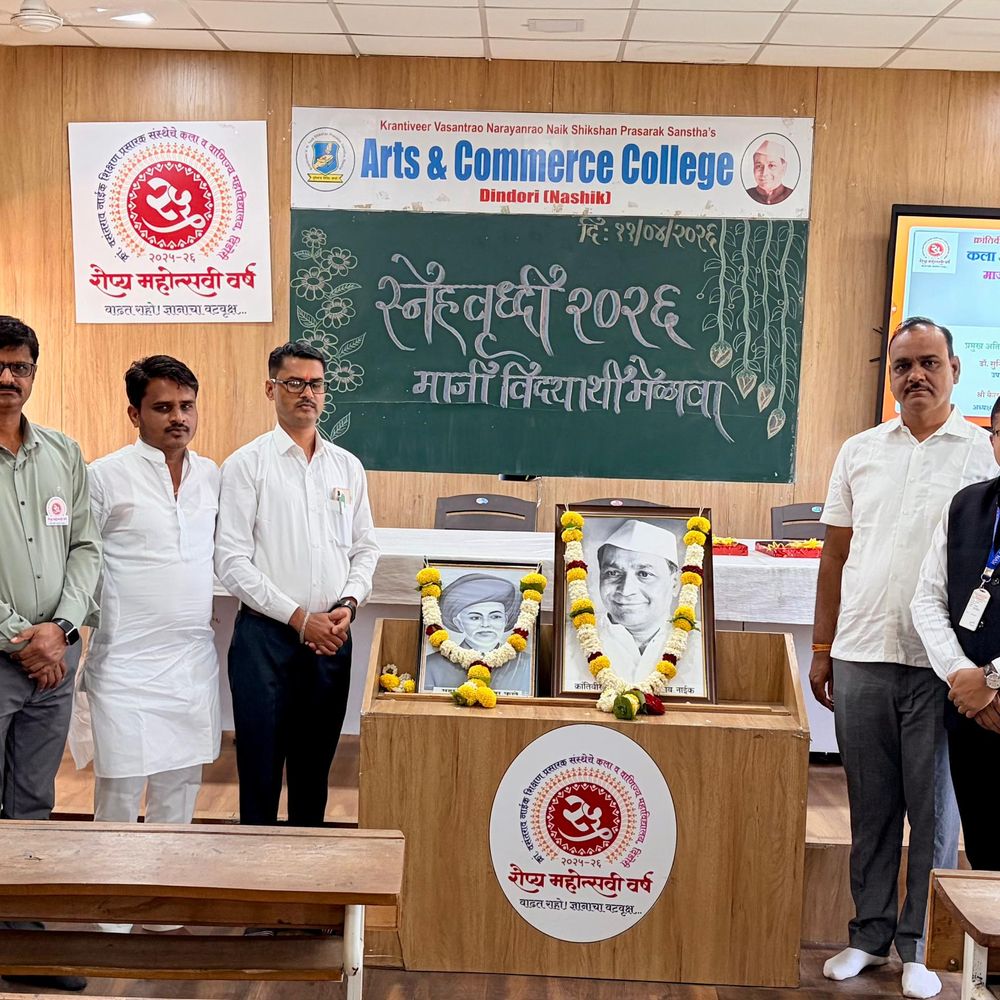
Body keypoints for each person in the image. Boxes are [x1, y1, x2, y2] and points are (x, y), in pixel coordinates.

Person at [811, 317, 997, 999]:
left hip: (941, 666)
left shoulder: (981, 455)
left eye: (929, 363)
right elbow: (835, 555)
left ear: (955, 371)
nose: (916, 375)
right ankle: (868, 934)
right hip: (861, 651)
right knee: (871, 805)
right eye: (902, 366)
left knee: (936, 812)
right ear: (889, 376)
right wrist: (823, 646)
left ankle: (920, 945)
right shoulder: (859, 451)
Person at [71, 356, 220, 935]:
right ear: (134, 414)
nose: (177, 417)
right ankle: (111, 916)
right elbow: (79, 557)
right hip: (124, 660)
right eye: (162, 407)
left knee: (179, 787)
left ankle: (162, 909)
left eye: (186, 406)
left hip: (190, 658)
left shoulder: (212, 476)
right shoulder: (104, 476)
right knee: (121, 786)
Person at [215, 342, 379, 827]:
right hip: (265, 641)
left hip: (331, 639)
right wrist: (299, 618)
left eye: (315, 384)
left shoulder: (346, 466)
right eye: (294, 383)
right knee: (260, 773)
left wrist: (348, 603)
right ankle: (256, 870)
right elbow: (231, 561)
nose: (307, 393)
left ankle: (309, 868)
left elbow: (365, 548)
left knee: (314, 773)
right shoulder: (246, 465)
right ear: (271, 390)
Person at [0, 315, 101, 993]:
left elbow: (87, 547)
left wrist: (60, 628)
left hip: (54, 661)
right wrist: (23, 635)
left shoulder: (62, 453)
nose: (8, 378)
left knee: (33, 799)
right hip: (9, 655)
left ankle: (23, 939)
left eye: (20, 366)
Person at [912, 395, 1000, 872]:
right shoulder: (967, 505)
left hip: (986, 695)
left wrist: (991, 679)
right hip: (974, 717)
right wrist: (963, 676)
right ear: (993, 440)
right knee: (986, 858)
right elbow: (927, 599)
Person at [567, 519, 704, 691]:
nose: (626, 590)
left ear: (675, 583)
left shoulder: (702, 646)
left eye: (644, 574)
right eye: (613, 573)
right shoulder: (567, 641)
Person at [423, 572, 528, 694]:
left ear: (505, 620)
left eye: (495, 616)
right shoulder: (431, 665)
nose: (486, 624)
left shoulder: (525, 664)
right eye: (475, 618)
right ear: (459, 623)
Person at [745, 139, 794, 206]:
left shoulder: (792, 195)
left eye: (771, 165)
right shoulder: (746, 195)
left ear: (783, 168)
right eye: (759, 166)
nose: (764, 173)